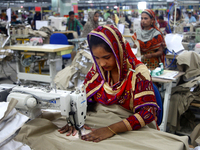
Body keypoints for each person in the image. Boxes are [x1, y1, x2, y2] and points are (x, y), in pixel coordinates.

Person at [58, 24, 160, 142]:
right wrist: (73, 119)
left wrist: (111, 129)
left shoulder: (138, 72)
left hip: (130, 124)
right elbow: (84, 98)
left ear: (118, 52)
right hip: (102, 118)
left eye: (107, 57)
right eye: (97, 58)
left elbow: (147, 113)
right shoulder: (98, 70)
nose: (102, 63)